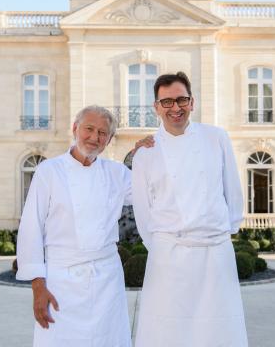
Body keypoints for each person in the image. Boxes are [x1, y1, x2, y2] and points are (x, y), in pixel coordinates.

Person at [131, 72, 248, 346]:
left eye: (182, 99)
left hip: (215, 251)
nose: (176, 108)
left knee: (219, 330)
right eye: (167, 102)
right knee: (167, 331)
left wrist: (224, 232)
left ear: (192, 102)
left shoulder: (216, 137)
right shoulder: (145, 152)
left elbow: (232, 189)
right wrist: (162, 245)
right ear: (156, 107)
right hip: (169, 255)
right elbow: (143, 211)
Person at [17, 105, 142, 347]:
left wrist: (149, 153)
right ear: (75, 129)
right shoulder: (48, 171)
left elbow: (153, 193)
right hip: (60, 283)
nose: (95, 138)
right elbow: (31, 227)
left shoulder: (117, 173)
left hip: (106, 280)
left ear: (109, 140)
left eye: (103, 133)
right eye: (89, 129)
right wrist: (38, 287)